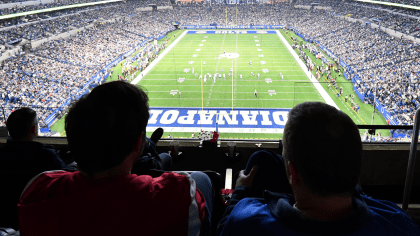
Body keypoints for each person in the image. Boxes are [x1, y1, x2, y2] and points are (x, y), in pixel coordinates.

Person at [18, 81, 213, 236]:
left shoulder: (39, 190)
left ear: (72, 140)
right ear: (139, 143)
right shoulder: (178, 194)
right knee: (203, 179)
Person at [217, 102, 420, 236]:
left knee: (261, 159)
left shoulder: (249, 221)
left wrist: (240, 193)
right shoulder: (398, 222)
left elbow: (224, 229)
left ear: (293, 173)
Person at [0, 108, 70, 230]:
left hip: (5, 218)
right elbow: (68, 175)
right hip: (38, 220)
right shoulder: (45, 155)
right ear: (33, 129)